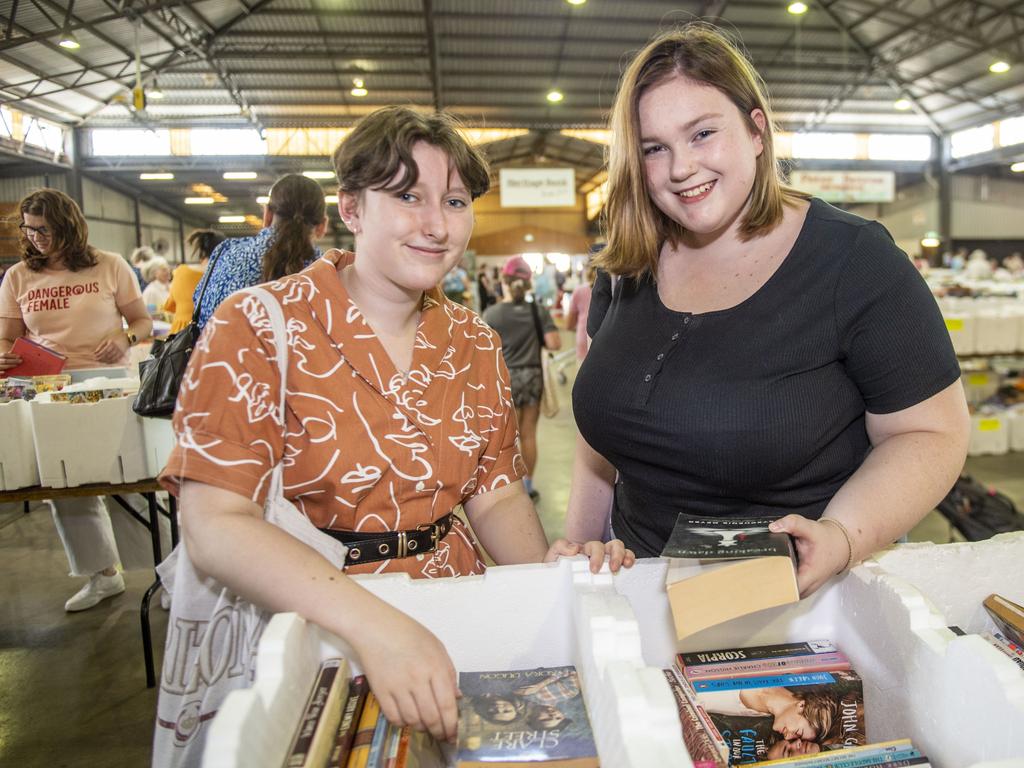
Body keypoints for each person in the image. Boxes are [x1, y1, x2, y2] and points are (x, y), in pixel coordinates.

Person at [154, 106, 632, 766]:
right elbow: (215, 523)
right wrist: (374, 626)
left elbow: (494, 494)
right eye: (408, 196)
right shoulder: (259, 327)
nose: (437, 225)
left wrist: (548, 578)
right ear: (350, 207)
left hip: (458, 614)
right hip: (313, 625)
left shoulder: (473, 342)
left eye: (455, 201)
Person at [566, 24, 969, 599]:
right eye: (655, 148)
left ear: (757, 131)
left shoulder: (854, 261)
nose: (680, 168)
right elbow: (597, 440)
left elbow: (931, 432)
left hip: (795, 598)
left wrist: (841, 535)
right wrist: (579, 562)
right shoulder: (628, 263)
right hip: (637, 590)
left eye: (702, 133)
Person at [0, 188, 154, 611]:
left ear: (68, 225)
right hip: (49, 391)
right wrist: (3, 354)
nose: (37, 238)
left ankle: (162, 573)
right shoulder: (17, 277)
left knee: (131, 480)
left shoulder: (110, 266)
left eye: (45, 229)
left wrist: (123, 336)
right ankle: (101, 574)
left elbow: (142, 322)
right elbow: (8, 337)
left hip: (109, 384)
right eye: (30, 230)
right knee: (65, 485)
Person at [191, 173, 327, 330]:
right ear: (322, 226)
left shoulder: (225, 252)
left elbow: (199, 310)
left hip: (213, 352)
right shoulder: (328, 273)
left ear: (267, 215)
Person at [483, 256, 562, 501]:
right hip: (533, 376)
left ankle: (510, 486)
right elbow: (554, 343)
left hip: (505, 378)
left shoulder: (492, 313)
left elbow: (483, 350)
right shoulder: (537, 311)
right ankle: (528, 485)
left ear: (504, 281)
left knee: (507, 437)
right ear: (529, 284)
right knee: (529, 434)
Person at [162, 229, 225, 334]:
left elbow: (170, 305)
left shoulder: (181, 272)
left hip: (180, 338)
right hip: (212, 334)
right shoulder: (224, 274)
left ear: (201, 250)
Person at [565, 261, 597, 362]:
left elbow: (569, 324)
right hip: (606, 344)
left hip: (584, 339)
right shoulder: (615, 291)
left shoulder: (579, 290)